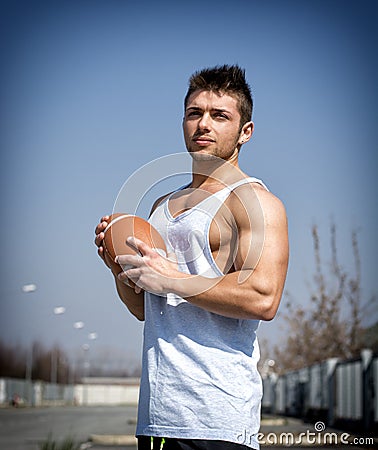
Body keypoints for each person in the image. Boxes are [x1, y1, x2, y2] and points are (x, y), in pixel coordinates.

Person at [95, 65, 289, 450]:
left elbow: (263, 298)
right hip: (157, 417)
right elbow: (144, 308)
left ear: (244, 132)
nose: (204, 124)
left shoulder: (256, 203)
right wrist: (120, 269)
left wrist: (172, 278)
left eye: (220, 116)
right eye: (194, 113)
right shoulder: (161, 205)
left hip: (218, 418)